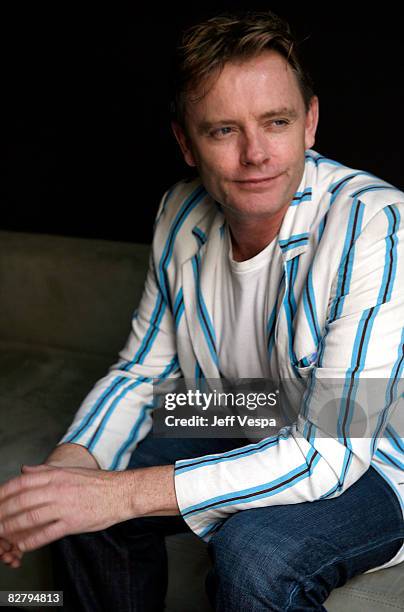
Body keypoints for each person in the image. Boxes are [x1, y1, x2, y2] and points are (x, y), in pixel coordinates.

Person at [0, 9, 403, 611]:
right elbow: (142, 376)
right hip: (245, 405)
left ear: (311, 122)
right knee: (89, 489)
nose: (256, 154)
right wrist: (69, 474)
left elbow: (330, 452)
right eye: (223, 131)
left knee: (254, 552)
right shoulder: (180, 211)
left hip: (374, 450)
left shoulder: (376, 221)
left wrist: (119, 495)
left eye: (277, 121)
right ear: (186, 143)